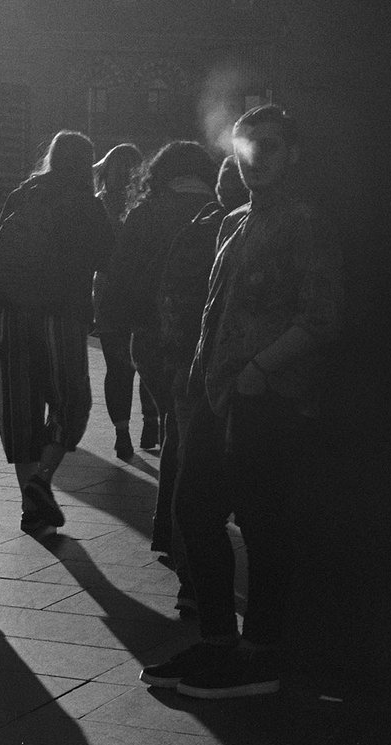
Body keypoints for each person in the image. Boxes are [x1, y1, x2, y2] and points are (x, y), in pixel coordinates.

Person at [140, 105, 345, 699]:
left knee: (261, 521)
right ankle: (218, 639)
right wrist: (203, 376)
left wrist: (260, 370)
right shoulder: (232, 222)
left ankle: (260, 650)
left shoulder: (308, 223)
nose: (256, 159)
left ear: (293, 154)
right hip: (217, 393)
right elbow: (216, 311)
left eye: (270, 147)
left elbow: (321, 316)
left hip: (268, 397)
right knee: (192, 510)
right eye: (246, 146)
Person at [0, 130, 115, 536]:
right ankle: (43, 479)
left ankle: (32, 509)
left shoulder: (23, 194)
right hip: (61, 316)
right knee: (70, 403)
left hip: (11, 316)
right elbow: (105, 256)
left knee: (20, 413)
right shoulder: (86, 204)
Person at [103, 141, 218, 554]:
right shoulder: (221, 214)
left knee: (176, 422)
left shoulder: (145, 213)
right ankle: (183, 534)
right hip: (203, 341)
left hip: (150, 340)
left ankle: (170, 531)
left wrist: (115, 331)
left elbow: (119, 280)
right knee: (190, 431)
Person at [154, 154, 249, 612]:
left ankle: (192, 579)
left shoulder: (200, 228)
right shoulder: (237, 228)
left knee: (188, 470)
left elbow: (172, 300)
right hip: (228, 375)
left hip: (196, 370)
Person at [90, 142, 150, 460]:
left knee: (135, 363)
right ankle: (125, 431)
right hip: (119, 295)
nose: (125, 174)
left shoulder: (103, 205)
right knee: (124, 365)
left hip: (120, 293)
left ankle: (141, 425)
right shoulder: (142, 205)